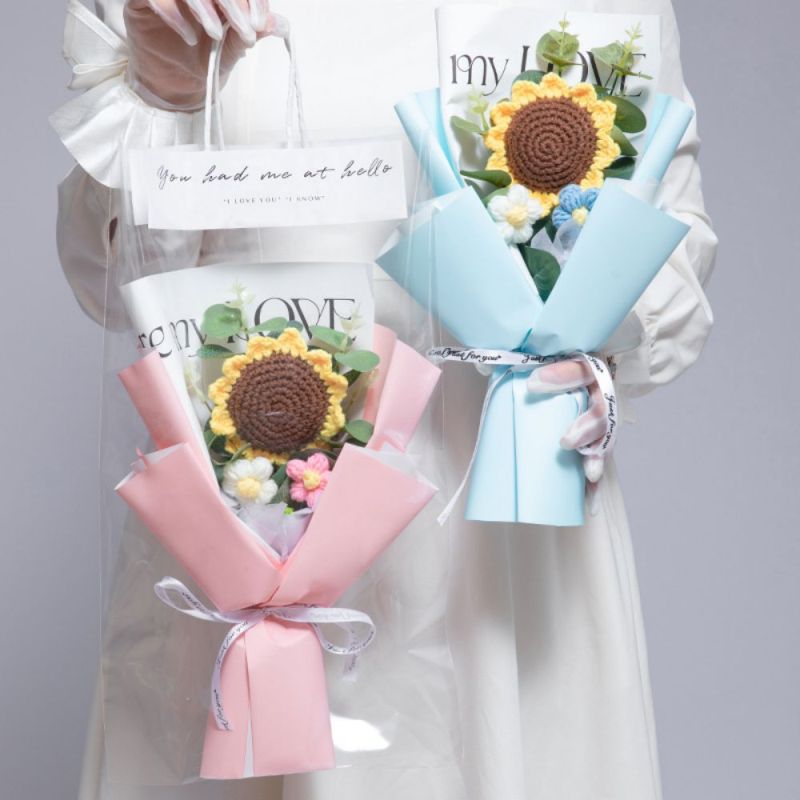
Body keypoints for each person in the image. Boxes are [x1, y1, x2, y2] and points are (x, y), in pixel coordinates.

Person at [52, 1, 717, 799]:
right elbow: (108, 281)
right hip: (250, 525)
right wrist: (164, 94)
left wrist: (591, 338)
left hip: (505, 531)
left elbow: (674, 258)